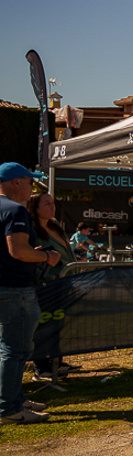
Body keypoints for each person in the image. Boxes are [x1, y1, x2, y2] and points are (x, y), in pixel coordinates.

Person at [0, 162, 58, 424]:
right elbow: (18, 251)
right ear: (16, 182)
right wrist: (46, 256)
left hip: (7, 287)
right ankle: (10, 409)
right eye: (29, 182)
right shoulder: (15, 210)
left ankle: (14, 400)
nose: (32, 188)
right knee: (15, 351)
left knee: (7, 350)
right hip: (15, 289)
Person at [26, 193, 80, 380]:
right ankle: (41, 367)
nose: (52, 206)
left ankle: (57, 362)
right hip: (47, 285)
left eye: (53, 203)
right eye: (47, 204)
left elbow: (67, 252)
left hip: (65, 282)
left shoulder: (55, 225)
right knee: (44, 326)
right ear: (35, 208)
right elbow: (31, 257)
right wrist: (50, 275)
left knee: (58, 324)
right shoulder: (31, 230)